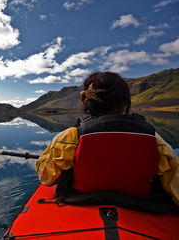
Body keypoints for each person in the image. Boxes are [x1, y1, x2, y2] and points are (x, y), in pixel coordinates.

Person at [35, 72, 179, 206]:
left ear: (86, 102)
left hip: (82, 201)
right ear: (124, 102)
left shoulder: (69, 137)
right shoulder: (153, 138)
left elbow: (45, 177)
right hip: (140, 204)